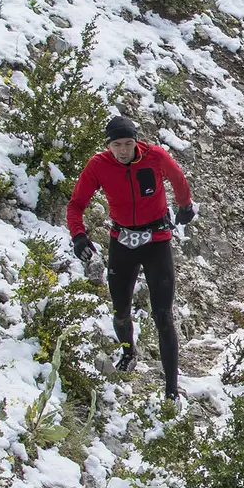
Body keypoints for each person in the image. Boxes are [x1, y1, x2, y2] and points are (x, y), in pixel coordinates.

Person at [67, 115, 195, 395]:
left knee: (163, 316)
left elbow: (178, 179)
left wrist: (185, 205)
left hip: (156, 241)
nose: (123, 150)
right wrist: (78, 236)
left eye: (128, 143)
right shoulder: (98, 165)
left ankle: (171, 389)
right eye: (117, 145)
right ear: (108, 145)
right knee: (120, 310)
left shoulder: (155, 156)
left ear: (136, 141)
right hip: (122, 242)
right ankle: (128, 353)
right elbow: (76, 204)